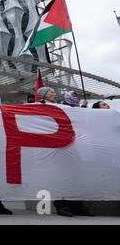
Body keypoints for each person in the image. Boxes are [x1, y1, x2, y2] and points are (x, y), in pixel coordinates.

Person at [38, 87, 94, 217]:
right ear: (43, 95)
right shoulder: (40, 107)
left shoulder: (61, 107)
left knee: (75, 176)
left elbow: (75, 120)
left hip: (70, 145)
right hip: (55, 148)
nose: (54, 93)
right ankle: (61, 205)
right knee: (60, 177)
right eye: (50, 91)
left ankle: (76, 206)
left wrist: (83, 108)